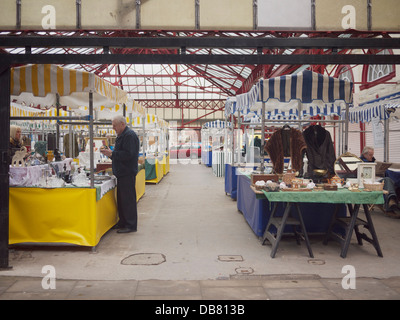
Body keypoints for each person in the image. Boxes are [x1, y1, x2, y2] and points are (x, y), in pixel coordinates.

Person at [101, 115, 140, 233]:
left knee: (128, 200)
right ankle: (123, 222)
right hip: (122, 172)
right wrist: (111, 153)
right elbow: (120, 152)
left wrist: (112, 154)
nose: (113, 128)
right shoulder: (122, 135)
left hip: (127, 172)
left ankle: (130, 225)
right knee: (122, 200)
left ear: (122, 124)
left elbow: (129, 154)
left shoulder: (129, 136)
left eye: (115, 126)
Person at [360, 146, 400, 218]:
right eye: (370, 155)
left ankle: (393, 202)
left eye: (372, 155)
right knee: (387, 180)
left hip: (378, 180)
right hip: (369, 183)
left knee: (391, 181)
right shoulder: (360, 162)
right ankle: (390, 206)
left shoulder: (373, 160)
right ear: (364, 154)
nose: (372, 157)